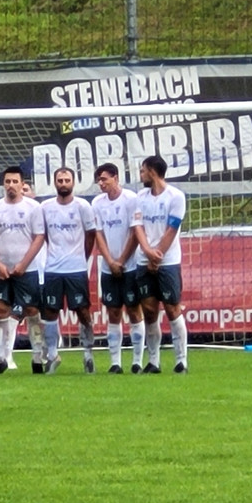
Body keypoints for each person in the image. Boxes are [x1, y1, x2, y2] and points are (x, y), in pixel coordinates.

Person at [0, 166, 46, 375]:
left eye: (15, 181)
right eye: (7, 181)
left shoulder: (33, 207)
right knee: (1, 310)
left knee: (32, 311)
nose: (11, 185)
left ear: (22, 183)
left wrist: (24, 264)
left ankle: (37, 357)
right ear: (3, 184)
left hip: (27, 270)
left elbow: (39, 237)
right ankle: (0, 357)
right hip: (2, 270)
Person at [131, 155, 189, 374]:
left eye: (143, 171)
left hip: (168, 261)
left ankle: (181, 360)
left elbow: (172, 229)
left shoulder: (176, 196)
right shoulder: (140, 197)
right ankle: (153, 361)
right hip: (144, 260)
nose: (141, 175)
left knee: (172, 308)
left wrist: (158, 256)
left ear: (152, 172)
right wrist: (147, 252)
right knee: (149, 310)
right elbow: (137, 226)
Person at [39, 167, 97, 373]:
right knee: (50, 312)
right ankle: (52, 355)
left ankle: (88, 353)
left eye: (67, 180)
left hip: (76, 269)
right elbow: (44, 235)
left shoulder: (83, 206)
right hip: (53, 269)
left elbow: (91, 235)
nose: (63, 183)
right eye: (60, 180)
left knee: (82, 311)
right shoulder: (45, 207)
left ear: (73, 182)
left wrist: (82, 257)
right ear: (55, 183)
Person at [91, 163, 145, 374]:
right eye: (99, 180)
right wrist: (110, 261)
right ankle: (115, 363)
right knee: (113, 312)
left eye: (104, 179)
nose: (101, 183)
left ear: (115, 177)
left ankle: (137, 361)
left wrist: (121, 260)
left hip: (129, 266)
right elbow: (98, 234)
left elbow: (135, 233)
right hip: (108, 268)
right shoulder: (97, 203)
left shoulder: (131, 199)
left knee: (134, 310)